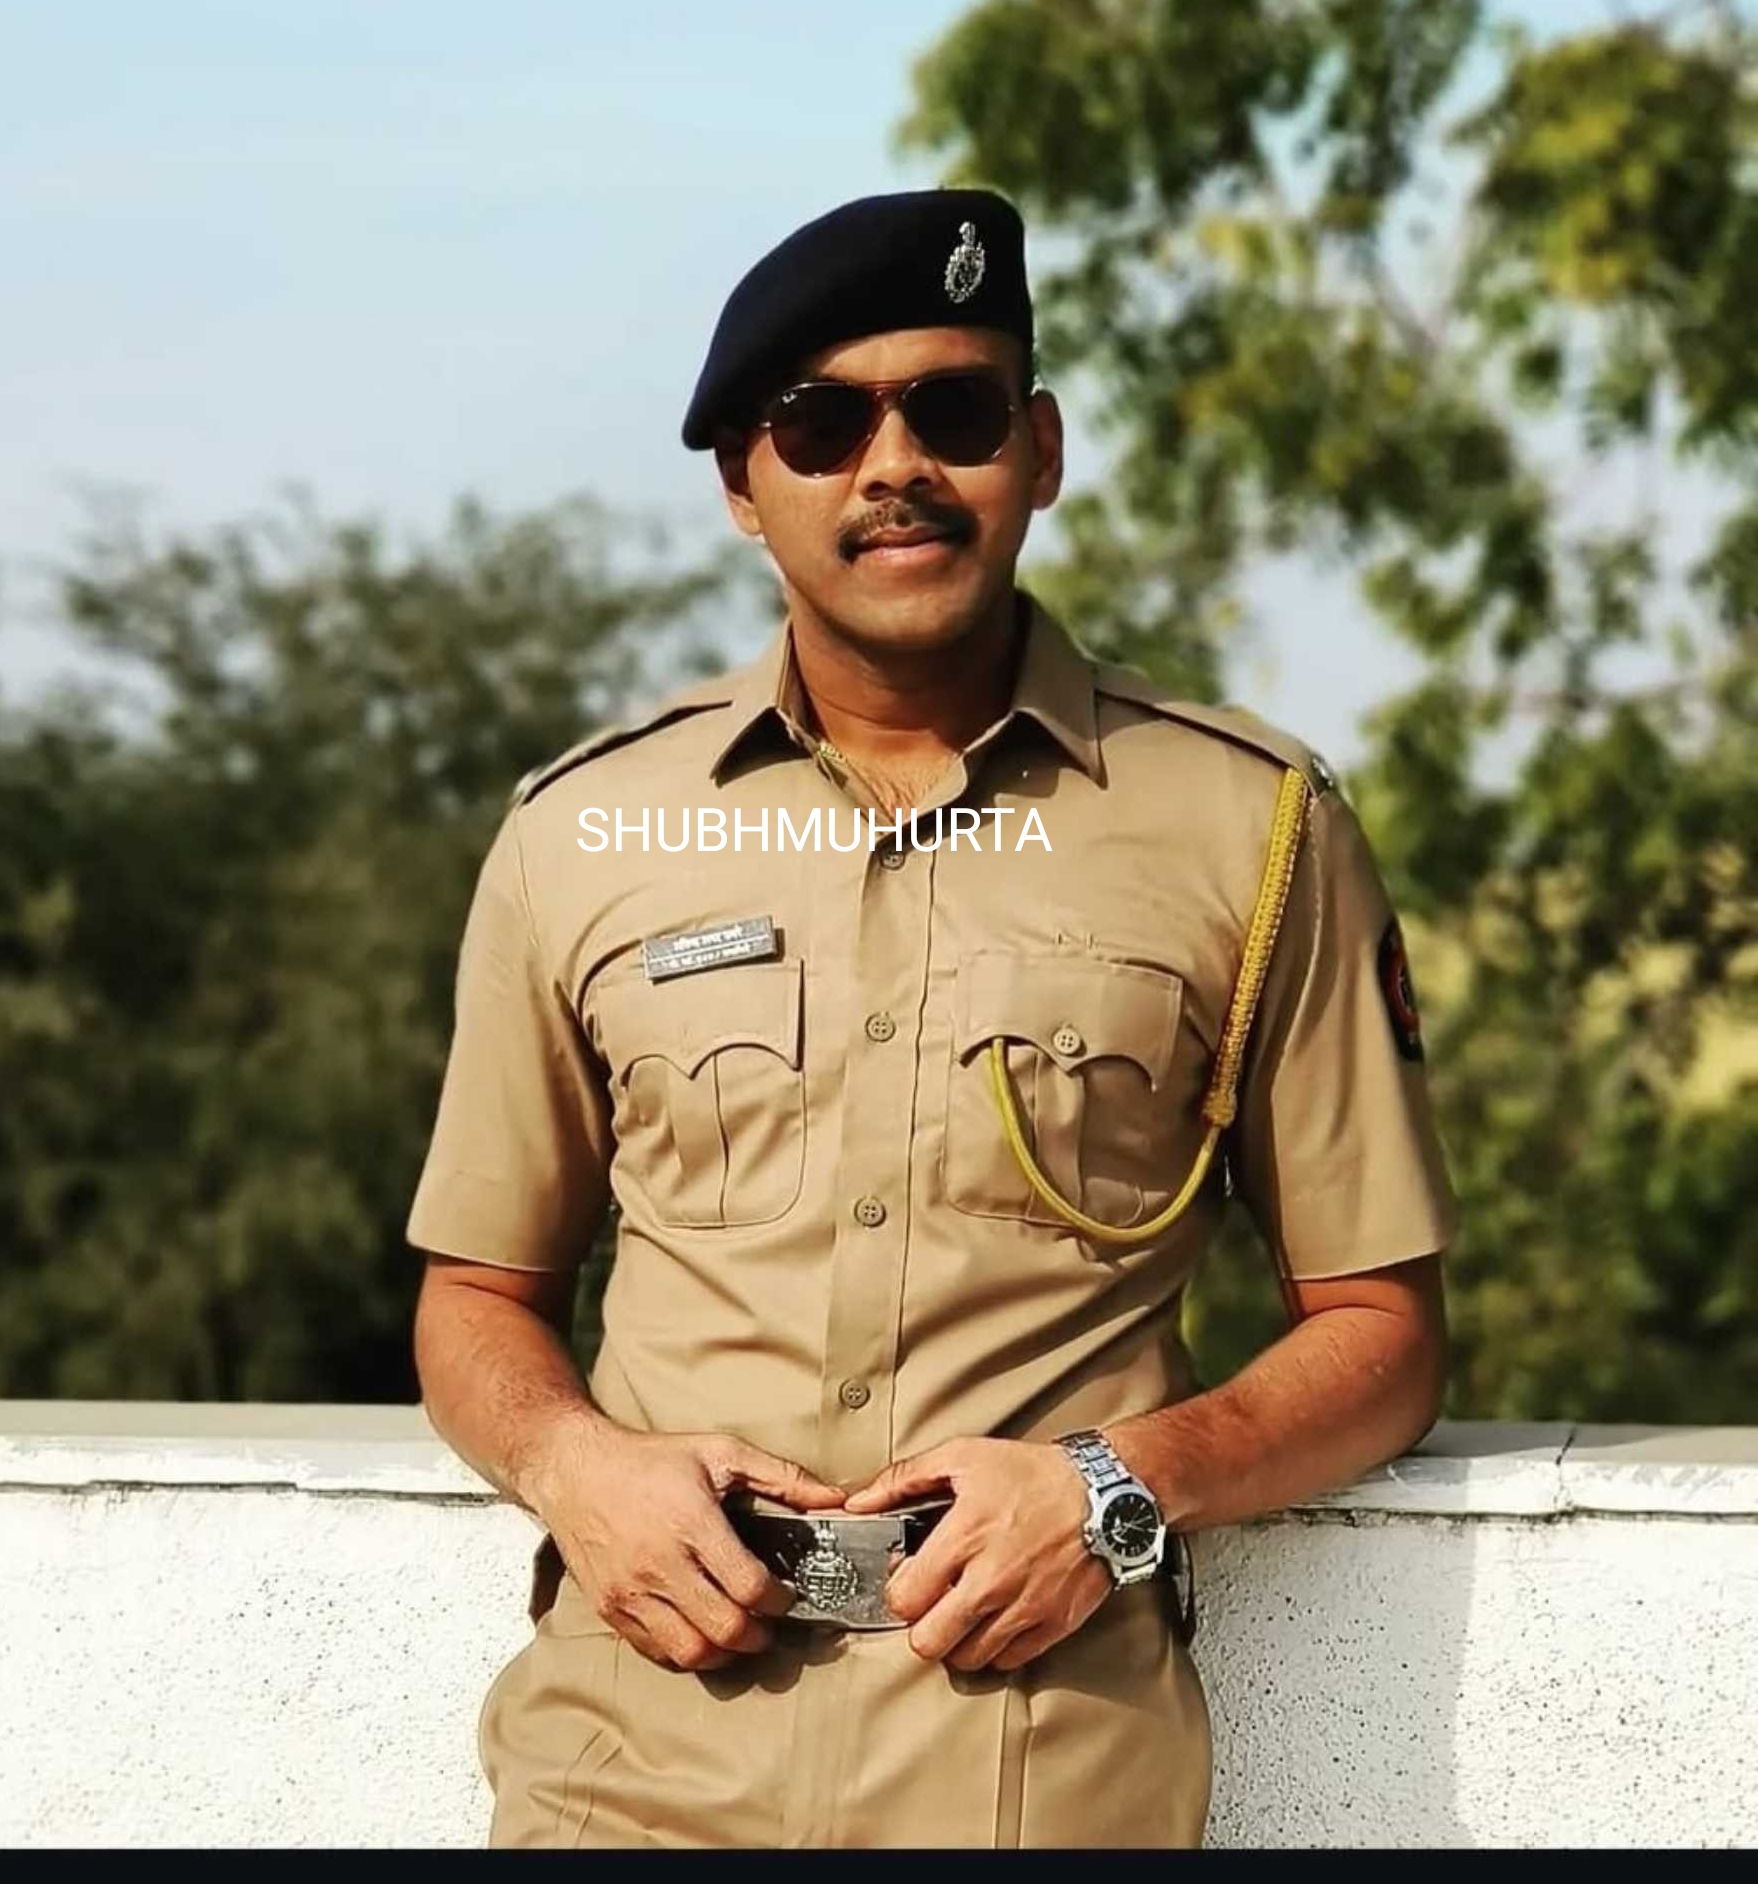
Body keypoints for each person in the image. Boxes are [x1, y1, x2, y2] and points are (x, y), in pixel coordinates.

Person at [405, 188, 1456, 1849]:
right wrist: (574, 1466)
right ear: (744, 485)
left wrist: (1118, 1484)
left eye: (951, 410)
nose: (891, 465)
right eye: (822, 425)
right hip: (637, 1758)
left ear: (1039, 449)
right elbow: (476, 1292)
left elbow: (1382, 1329)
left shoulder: (1254, 827)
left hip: (1041, 1765)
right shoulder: (582, 831)